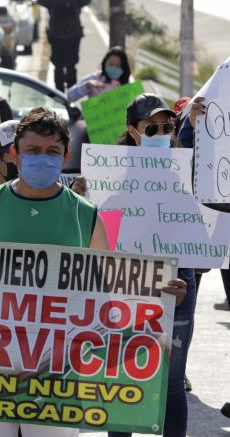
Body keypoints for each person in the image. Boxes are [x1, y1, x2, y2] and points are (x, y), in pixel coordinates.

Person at [0, 107, 188, 437]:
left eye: (51, 151)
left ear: (65, 157)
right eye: (32, 150)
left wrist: (160, 296)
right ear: (15, 154)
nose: (41, 158)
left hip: (56, 374)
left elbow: (108, 293)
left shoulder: (86, 215)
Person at [119, 93, 200, 437]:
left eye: (167, 126)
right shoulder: (109, 170)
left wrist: (193, 126)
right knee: (122, 373)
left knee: (172, 380)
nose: (161, 133)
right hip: (127, 280)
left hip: (177, 279)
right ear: (133, 131)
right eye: (151, 127)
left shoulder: (186, 165)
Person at [37, 0, 92, 92]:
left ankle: (72, 93)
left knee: (71, 66)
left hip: (73, 37)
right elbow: (40, 0)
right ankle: (59, 93)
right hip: (56, 38)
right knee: (58, 67)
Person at [67, 46, 131, 102]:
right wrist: (86, 86)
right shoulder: (94, 78)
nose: (114, 68)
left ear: (124, 68)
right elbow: (70, 96)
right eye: (111, 64)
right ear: (105, 62)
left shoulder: (128, 86)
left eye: (118, 66)